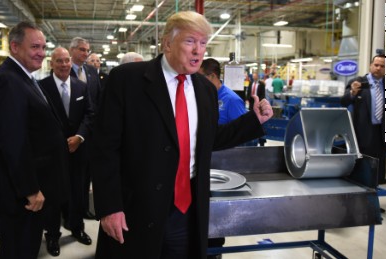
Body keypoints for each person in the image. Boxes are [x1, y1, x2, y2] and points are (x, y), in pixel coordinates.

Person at [90, 11, 273, 259]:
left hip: (185, 211)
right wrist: (110, 207)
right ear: (167, 43)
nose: (198, 50)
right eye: (190, 41)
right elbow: (104, 148)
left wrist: (254, 121)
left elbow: (210, 139)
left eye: (203, 43)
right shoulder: (127, 80)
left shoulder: (205, 90)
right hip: (137, 210)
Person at [0, 21, 69, 259]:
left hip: (29, 189)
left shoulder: (23, 78)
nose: (41, 52)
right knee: (19, 250)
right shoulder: (7, 81)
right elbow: (12, 142)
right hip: (20, 194)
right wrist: (30, 190)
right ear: (15, 47)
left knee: (27, 248)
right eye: (34, 47)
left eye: (43, 47)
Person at [39, 47, 95, 256]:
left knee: (78, 192)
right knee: (53, 195)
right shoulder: (41, 87)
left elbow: (90, 114)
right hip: (53, 153)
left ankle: (77, 227)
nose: (63, 65)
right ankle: (52, 235)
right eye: (59, 61)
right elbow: (39, 119)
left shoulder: (81, 87)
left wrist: (79, 137)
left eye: (66, 61)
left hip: (78, 150)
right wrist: (58, 142)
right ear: (51, 63)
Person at [341, 54, 386, 185]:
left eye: (382, 66)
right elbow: (343, 101)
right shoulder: (358, 82)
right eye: (376, 65)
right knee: (364, 164)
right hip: (362, 130)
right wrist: (352, 93)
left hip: (382, 131)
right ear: (370, 65)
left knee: (379, 167)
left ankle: (377, 188)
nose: (379, 68)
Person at [68, 37, 102, 220]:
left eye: (87, 50)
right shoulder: (64, 71)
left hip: (91, 133)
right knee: (72, 177)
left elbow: (98, 100)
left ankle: (82, 209)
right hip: (72, 133)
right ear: (72, 50)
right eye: (81, 49)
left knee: (87, 174)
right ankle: (70, 212)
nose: (85, 53)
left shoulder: (91, 71)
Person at [199, 58, 247, 124]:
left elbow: (242, 129)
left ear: (212, 76)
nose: (197, 80)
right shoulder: (203, 96)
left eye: (200, 77)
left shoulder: (232, 100)